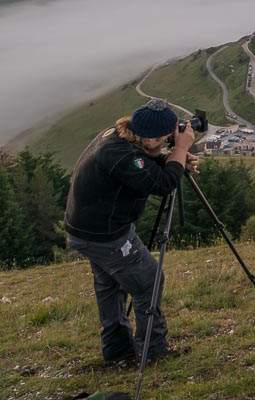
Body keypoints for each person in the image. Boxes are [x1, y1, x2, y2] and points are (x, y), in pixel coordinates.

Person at [65, 99, 199, 365]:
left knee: (111, 287)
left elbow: (143, 164)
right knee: (148, 281)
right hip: (107, 236)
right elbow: (161, 184)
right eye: (165, 139)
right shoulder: (122, 153)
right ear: (149, 138)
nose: (167, 142)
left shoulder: (119, 136)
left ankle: (118, 353)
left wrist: (174, 159)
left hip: (87, 230)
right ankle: (153, 352)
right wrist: (180, 151)